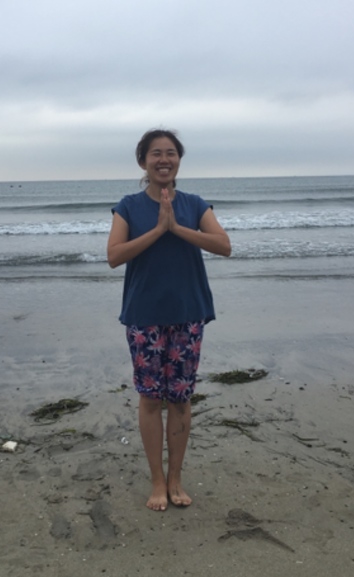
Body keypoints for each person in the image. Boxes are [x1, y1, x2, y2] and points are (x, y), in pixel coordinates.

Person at [106, 129, 231, 511]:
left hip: (187, 312)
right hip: (144, 314)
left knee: (180, 399)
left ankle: (176, 479)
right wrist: (159, 230)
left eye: (171, 153)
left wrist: (178, 228)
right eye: (156, 153)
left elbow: (224, 246)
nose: (164, 159)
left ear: (179, 159)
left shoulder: (194, 204)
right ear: (143, 161)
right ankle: (157, 482)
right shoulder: (127, 207)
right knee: (150, 398)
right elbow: (114, 255)